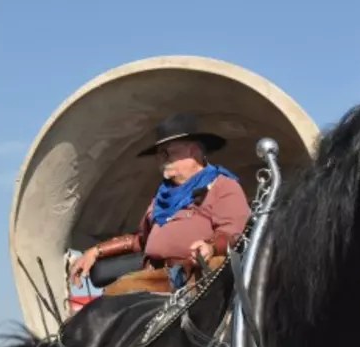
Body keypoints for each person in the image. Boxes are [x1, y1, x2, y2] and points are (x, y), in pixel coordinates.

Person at [68, 113, 251, 292]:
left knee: (119, 300)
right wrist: (96, 251)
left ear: (193, 151)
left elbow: (235, 236)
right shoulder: (162, 196)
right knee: (108, 303)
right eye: (159, 153)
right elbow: (140, 240)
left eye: (167, 151)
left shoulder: (223, 186)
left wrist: (210, 247)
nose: (161, 158)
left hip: (197, 280)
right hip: (154, 277)